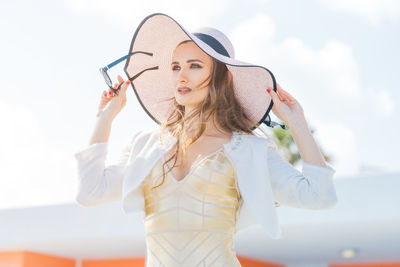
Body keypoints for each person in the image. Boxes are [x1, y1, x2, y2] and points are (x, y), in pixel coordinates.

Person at [74, 13, 337, 267]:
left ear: (224, 77)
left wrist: (297, 123)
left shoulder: (247, 149)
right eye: (176, 66)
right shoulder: (145, 145)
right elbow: (90, 192)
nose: (181, 76)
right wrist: (104, 118)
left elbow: (320, 196)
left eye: (195, 66)